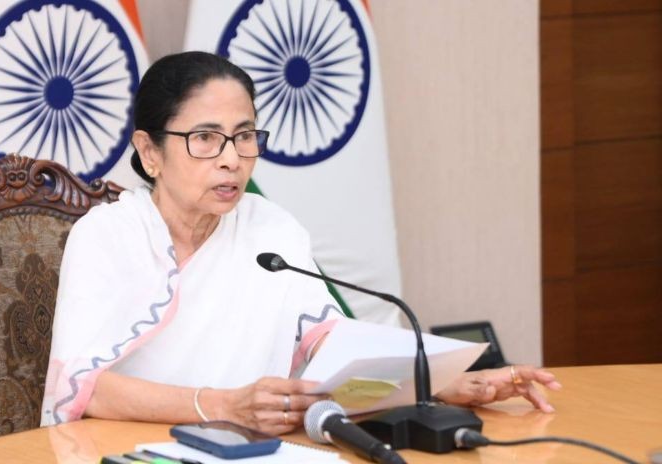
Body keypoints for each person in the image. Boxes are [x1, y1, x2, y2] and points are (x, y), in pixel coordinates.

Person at [41, 51, 561, 435]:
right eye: (206, 138)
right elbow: (83, 389)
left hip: (258, 450)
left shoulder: (271, 228)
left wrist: (438, 383)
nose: (232, 159)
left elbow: (330, 351)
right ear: (150, 151)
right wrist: (223, 405)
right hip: (132, 449)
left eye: (245, 136)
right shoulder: (106, 236)